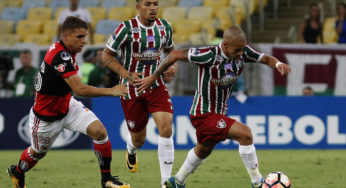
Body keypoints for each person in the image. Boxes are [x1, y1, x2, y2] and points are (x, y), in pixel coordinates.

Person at [135, 26, 292, 188]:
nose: (240, 54)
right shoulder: (209, 55)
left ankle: (176, 181)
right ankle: (258, 182)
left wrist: (278, 63)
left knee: (204, 149)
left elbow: (265, 58)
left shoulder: (243, 51)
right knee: (245, 134)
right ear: (225, 45)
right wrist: (155, 76)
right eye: (237, 50)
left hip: (219, 112)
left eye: (242, 49)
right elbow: (176, 54)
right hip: (203, 114)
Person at [7, 16, 130, 188]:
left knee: (100, 132)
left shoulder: (66, 51)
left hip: (67, 106)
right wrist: (112, 91)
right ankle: (17, 172)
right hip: (45, 118)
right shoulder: (60, 56)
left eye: (85, 36)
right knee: (37, 153)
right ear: (65, 36)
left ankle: (107, 180)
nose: (84, 41)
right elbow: (79, 89)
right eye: (79, 37)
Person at [101, 0, 177, 186]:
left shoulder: (165, 26)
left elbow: (170, 51)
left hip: (156, 85)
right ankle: (131, 149)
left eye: (155, 3)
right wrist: (127, 74)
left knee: (166, 128)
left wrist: (172, 65)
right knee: (139, 138)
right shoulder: (126, 28)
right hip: (131, 89)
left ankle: (166, 182)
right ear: (138, 7)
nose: (153, 8)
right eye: (148, 4)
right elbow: (106, 56)